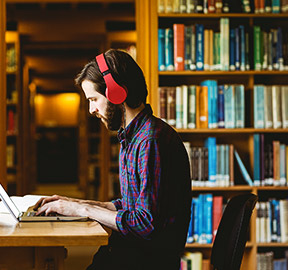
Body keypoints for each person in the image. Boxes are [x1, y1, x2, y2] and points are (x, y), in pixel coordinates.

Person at [35, 49, 192, 270]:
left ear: (117, 93)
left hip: (147, 262)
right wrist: (75, 203)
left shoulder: (150, 141)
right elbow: (131, 207)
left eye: (94, 99)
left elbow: (146, 224)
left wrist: (83, 211)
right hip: (132, 254)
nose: (91, 109)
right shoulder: (134, 136)